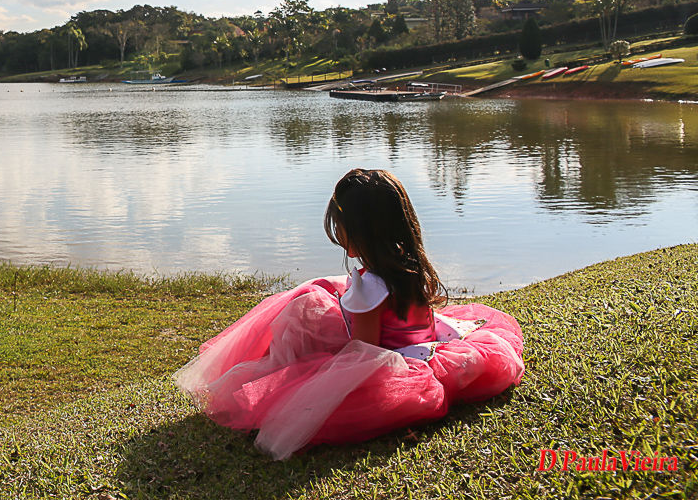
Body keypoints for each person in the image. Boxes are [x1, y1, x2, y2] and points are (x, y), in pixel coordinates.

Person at [173, 168, 524, 459]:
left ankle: (272, 366)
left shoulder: (369, 287)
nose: (340, 238)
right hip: (430, 347)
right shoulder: (411, 269)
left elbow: (363, 353)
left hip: (391, 361)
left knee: (302, 307)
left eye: (342, 230)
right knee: (316, 295)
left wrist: (323, 359)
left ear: (359, 233)